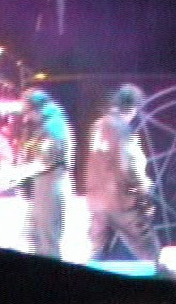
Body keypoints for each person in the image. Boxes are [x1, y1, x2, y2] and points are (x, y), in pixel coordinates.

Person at [84, 83, 160, 262]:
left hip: (96, 201)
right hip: (121, 201)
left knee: (97, 253)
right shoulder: (122, 129)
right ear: (133, 108)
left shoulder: (98, 125)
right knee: (150, 250)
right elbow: (129, 168)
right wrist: (143, 193)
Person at [17, 88, 72, 259]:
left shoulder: (54, 125)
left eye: (28, 112)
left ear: (35, 108)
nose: (27, 118)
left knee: (47, 237)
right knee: (34, 234)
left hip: (50, 186)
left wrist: (15, 174)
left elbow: (46, 160)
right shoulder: (46, 125)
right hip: (43, 186)